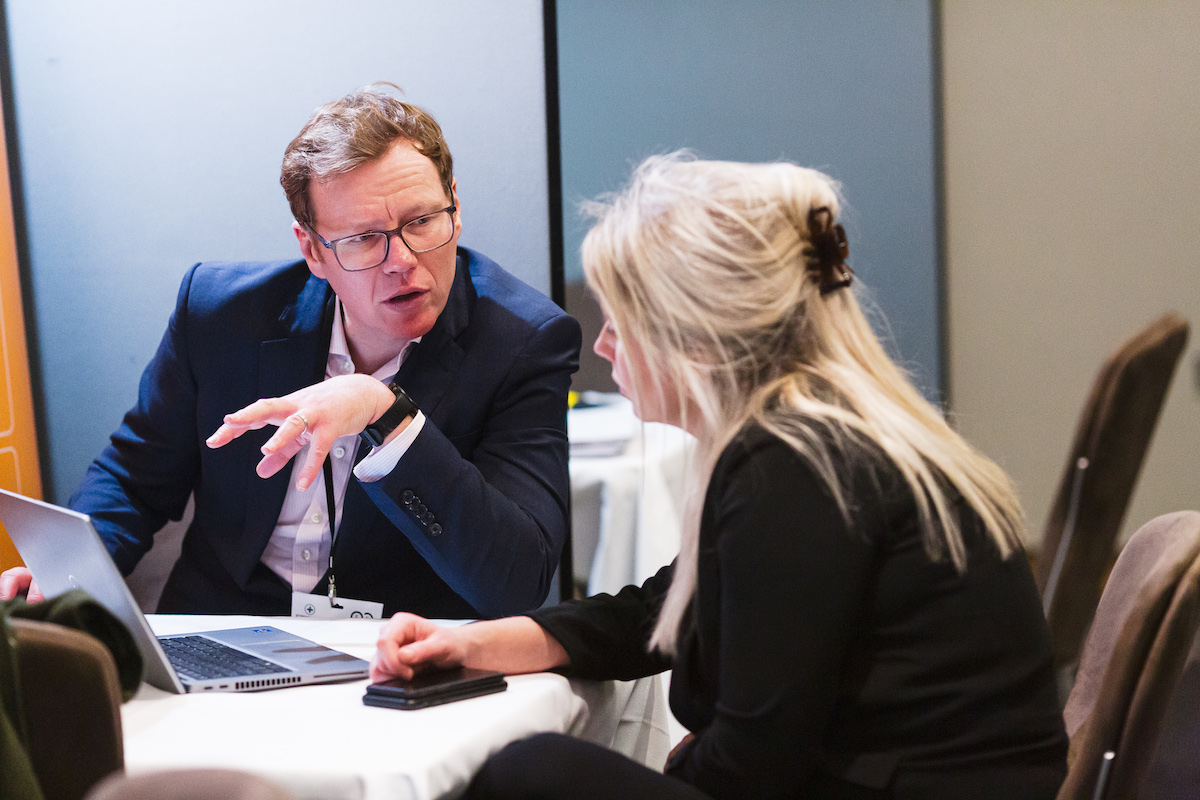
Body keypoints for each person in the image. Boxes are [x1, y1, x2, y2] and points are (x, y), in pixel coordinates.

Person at [370, 154, 1069, 799]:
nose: (604, 346)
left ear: (695, 334)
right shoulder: (813, 433)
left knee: (532, 772)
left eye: (620, 321)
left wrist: (673, 766)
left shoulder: (795, 468)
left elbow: (754, 760)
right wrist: (475, 643)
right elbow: (660, 611)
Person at [0, 84, 581, 619]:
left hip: (396, 655)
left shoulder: (522, 343)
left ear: (454, 202)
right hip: (224, 630)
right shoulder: (221, 314)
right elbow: (134, 477)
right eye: (361, 238)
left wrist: (390, 414)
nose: (402, 258)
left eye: (423, 220)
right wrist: (66, 575)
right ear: (312, 250)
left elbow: (516, 578)